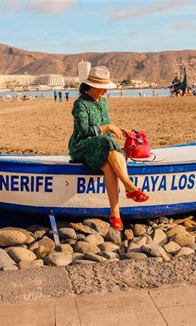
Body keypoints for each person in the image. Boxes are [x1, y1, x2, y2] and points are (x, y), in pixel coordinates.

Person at [68, 66, 149, 231]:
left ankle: (115, 214)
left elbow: (105, 126)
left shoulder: (103, 102)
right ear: (91, 86)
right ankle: (129, 186)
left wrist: (121, 129)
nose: (104, 91)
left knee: (109, 168)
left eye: (105, 88)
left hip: (101, 146)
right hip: (81, 146)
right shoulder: (80, 104)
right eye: (101, 88)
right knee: (107, 142)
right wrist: (108, 128)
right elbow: (84, 132)